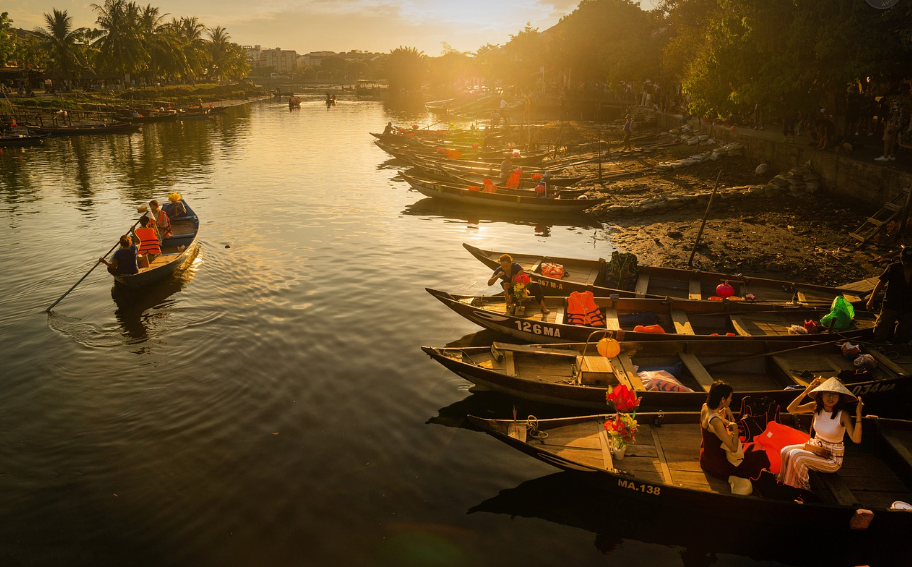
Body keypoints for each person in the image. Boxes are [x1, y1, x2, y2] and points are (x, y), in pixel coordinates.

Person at [778, 377, 863, 490]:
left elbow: (856, 439)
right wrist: (806, 391)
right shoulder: (815, 407)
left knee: (796, 455)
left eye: (835, 394)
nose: (831, 398)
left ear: (839, 398)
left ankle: (802, 488)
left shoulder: (843, 415)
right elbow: (791, 409)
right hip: (815, 448)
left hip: (831, 459)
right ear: (821, 395)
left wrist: (858, 414)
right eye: (827, 393)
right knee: (785, 451)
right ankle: (783, 481)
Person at [699, 380, 771, 487]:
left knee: (752, 447)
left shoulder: (705, 407)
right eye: (730, 397)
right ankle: (762, 482)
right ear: (722, 399)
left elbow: (714, 420)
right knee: (759, 453)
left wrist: (724, 410)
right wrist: (736, 429)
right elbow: (733, 448)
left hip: (707, 455)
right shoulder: (716, 422)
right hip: (717, 463)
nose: (731, 400)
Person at [866, 247, 912, 342]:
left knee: (904, 331)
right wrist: (871, 300)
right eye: (904, 260)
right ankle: (878, 345)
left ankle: (899, 346)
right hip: (891, 304)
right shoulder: (893, 268)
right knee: (881, 329)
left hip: (908, 306)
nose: (906, 263)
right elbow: (880, 284)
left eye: (908, 261)